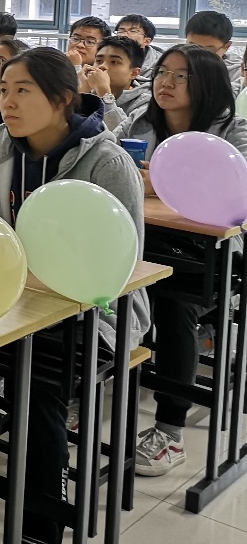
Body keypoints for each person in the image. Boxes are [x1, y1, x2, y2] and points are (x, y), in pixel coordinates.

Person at [0, 48, 147, 544]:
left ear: (63, 98)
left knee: (37, 387)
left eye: (22, 91)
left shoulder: (107, 162)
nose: (6, 101)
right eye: (5, 89)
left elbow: (122, 265)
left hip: (93, 311)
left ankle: (42, 525)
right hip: (14, 301)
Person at [118, 44, 247, 477]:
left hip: (210, 255)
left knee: (174, 308)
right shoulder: (140, 122)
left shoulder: (233, 131)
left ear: (206, 84)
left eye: (180, 76)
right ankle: (83, 392)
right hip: (148, 239)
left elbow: (234, 191)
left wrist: (159, 181)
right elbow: (117, 170)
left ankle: (170, 432)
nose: (165, 83)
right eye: (161, 72)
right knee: (104, 291)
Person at [82, 34, 150, 131]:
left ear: (134, 73)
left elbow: (124, 136)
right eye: (99, 61)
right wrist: (81, 93)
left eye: (114, 62)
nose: (102, 66)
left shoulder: (145, 103)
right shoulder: (89, 90)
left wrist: (105, 95)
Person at [184, 9, 242, 85]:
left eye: (208, 50)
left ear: (227, 47)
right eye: (192, 47)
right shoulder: (175, 66)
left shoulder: (238, 73)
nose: (199, 56)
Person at [66, 14, 111, 79]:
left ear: (103, 47)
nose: (80, 45)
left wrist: (75, 67)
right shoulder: (56, 63)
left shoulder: (104, 72)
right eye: (76, 39)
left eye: (89, 42)